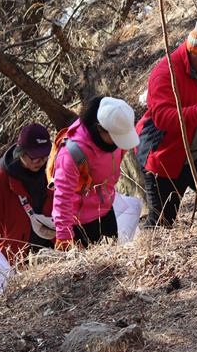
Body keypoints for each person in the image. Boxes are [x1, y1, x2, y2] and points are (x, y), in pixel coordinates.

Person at [136, 18, 197, 227]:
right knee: (161, 223)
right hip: (165, 154)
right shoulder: (165, 72)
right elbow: (162, 117)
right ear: (195, 51)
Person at [52, 96, 136, 249]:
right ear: (100, 128)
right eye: (116, 138)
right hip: (81, 222)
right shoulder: (72, 153)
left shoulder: (115, 136)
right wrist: (64, 235)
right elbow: (62, 197)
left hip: (107, 209)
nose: (120, 143)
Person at [0, 123, 56, 262]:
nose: (40, 161)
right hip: (16, 257)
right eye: (34, 156)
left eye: (44, 155)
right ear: (20, 152)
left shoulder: (50, 170)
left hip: (52, 245)